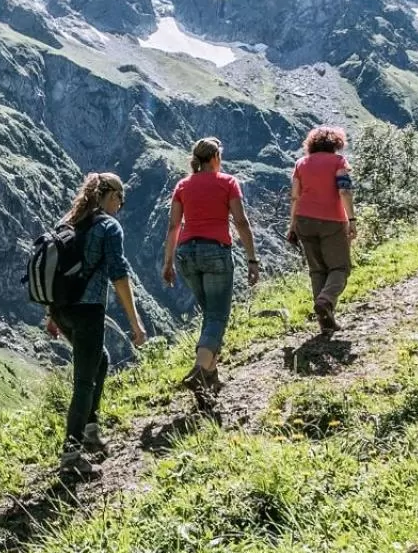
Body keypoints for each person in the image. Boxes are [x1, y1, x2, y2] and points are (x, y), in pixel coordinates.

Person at [44, 171, 146, 477]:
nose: (120, 206)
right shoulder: (109, 227)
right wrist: (135, 323)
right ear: (111, 195)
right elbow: (118, 274)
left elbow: (56, 271)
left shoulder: (69, 222)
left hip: (61, 309)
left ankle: (89, 431)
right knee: (84, 382)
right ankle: (71, 455)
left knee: (100, 360)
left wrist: (51, 315)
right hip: (87, 311)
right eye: (120, 200)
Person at [161, 137, 259, 393]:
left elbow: (173, 226)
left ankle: (211, 376)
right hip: (215, 252)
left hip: (186, 255)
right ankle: (200, 370)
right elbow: (241, 222)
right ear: (215, 157)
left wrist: (168, 263)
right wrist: (252, 259)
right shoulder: (227, 182)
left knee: (210, 314)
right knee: (217, 316)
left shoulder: (183, 185)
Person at [288, 125, 356, 333]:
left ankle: (325, 320)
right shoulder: (338, 162)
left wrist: (292, 226)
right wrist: (352, 219)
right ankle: (325, 300)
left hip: (304, 220)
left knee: (317, 270)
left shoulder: (301, 163)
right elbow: (344, 191)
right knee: (340, 268)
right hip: (332, 221)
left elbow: (295, 197)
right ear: (336, 143)